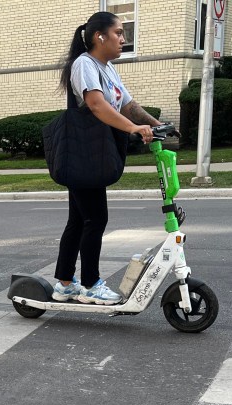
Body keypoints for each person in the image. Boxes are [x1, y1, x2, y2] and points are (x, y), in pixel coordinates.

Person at [53, 12, 162, 304]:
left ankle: (64, 283)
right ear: (99, 36)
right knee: (95, 218)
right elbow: (97, 105)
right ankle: (90, 284)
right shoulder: (84, 64)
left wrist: (156, 125)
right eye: (119, 32)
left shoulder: (108, 68)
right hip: (83, 151)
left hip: (93, 152)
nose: (123, 39)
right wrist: (133, 129)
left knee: (78, 219)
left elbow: (129, 105)